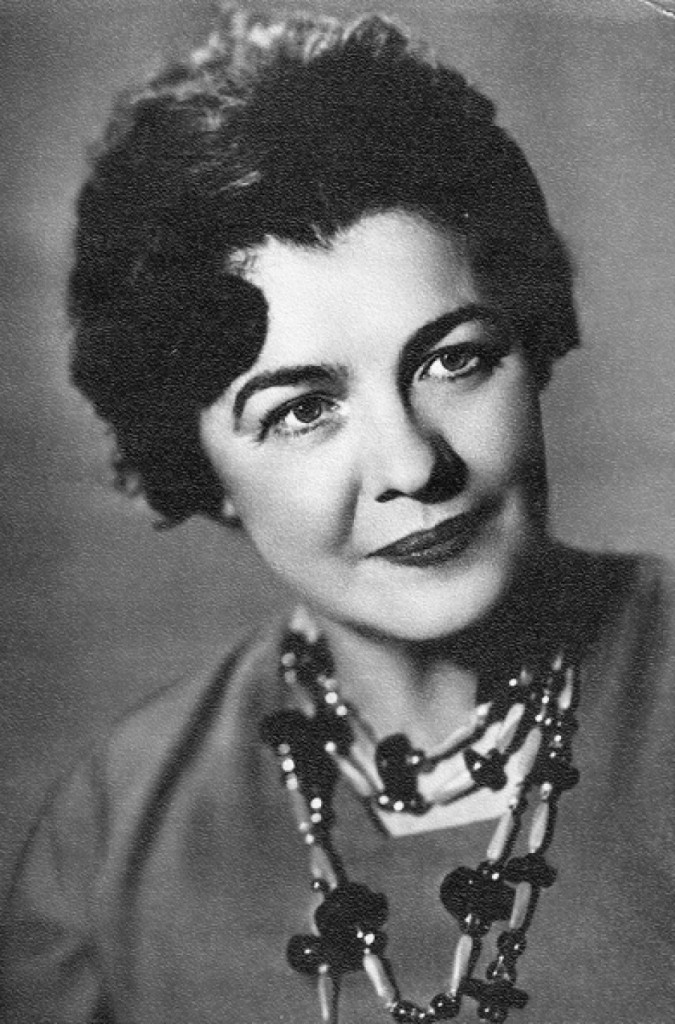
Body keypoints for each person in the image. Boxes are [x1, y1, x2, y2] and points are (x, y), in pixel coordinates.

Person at [1, 9, 673, 1024]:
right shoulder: (114, 841)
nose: (413, 465)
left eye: (453, 359)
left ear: (532, 345)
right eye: (303, 410)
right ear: (199, 466)